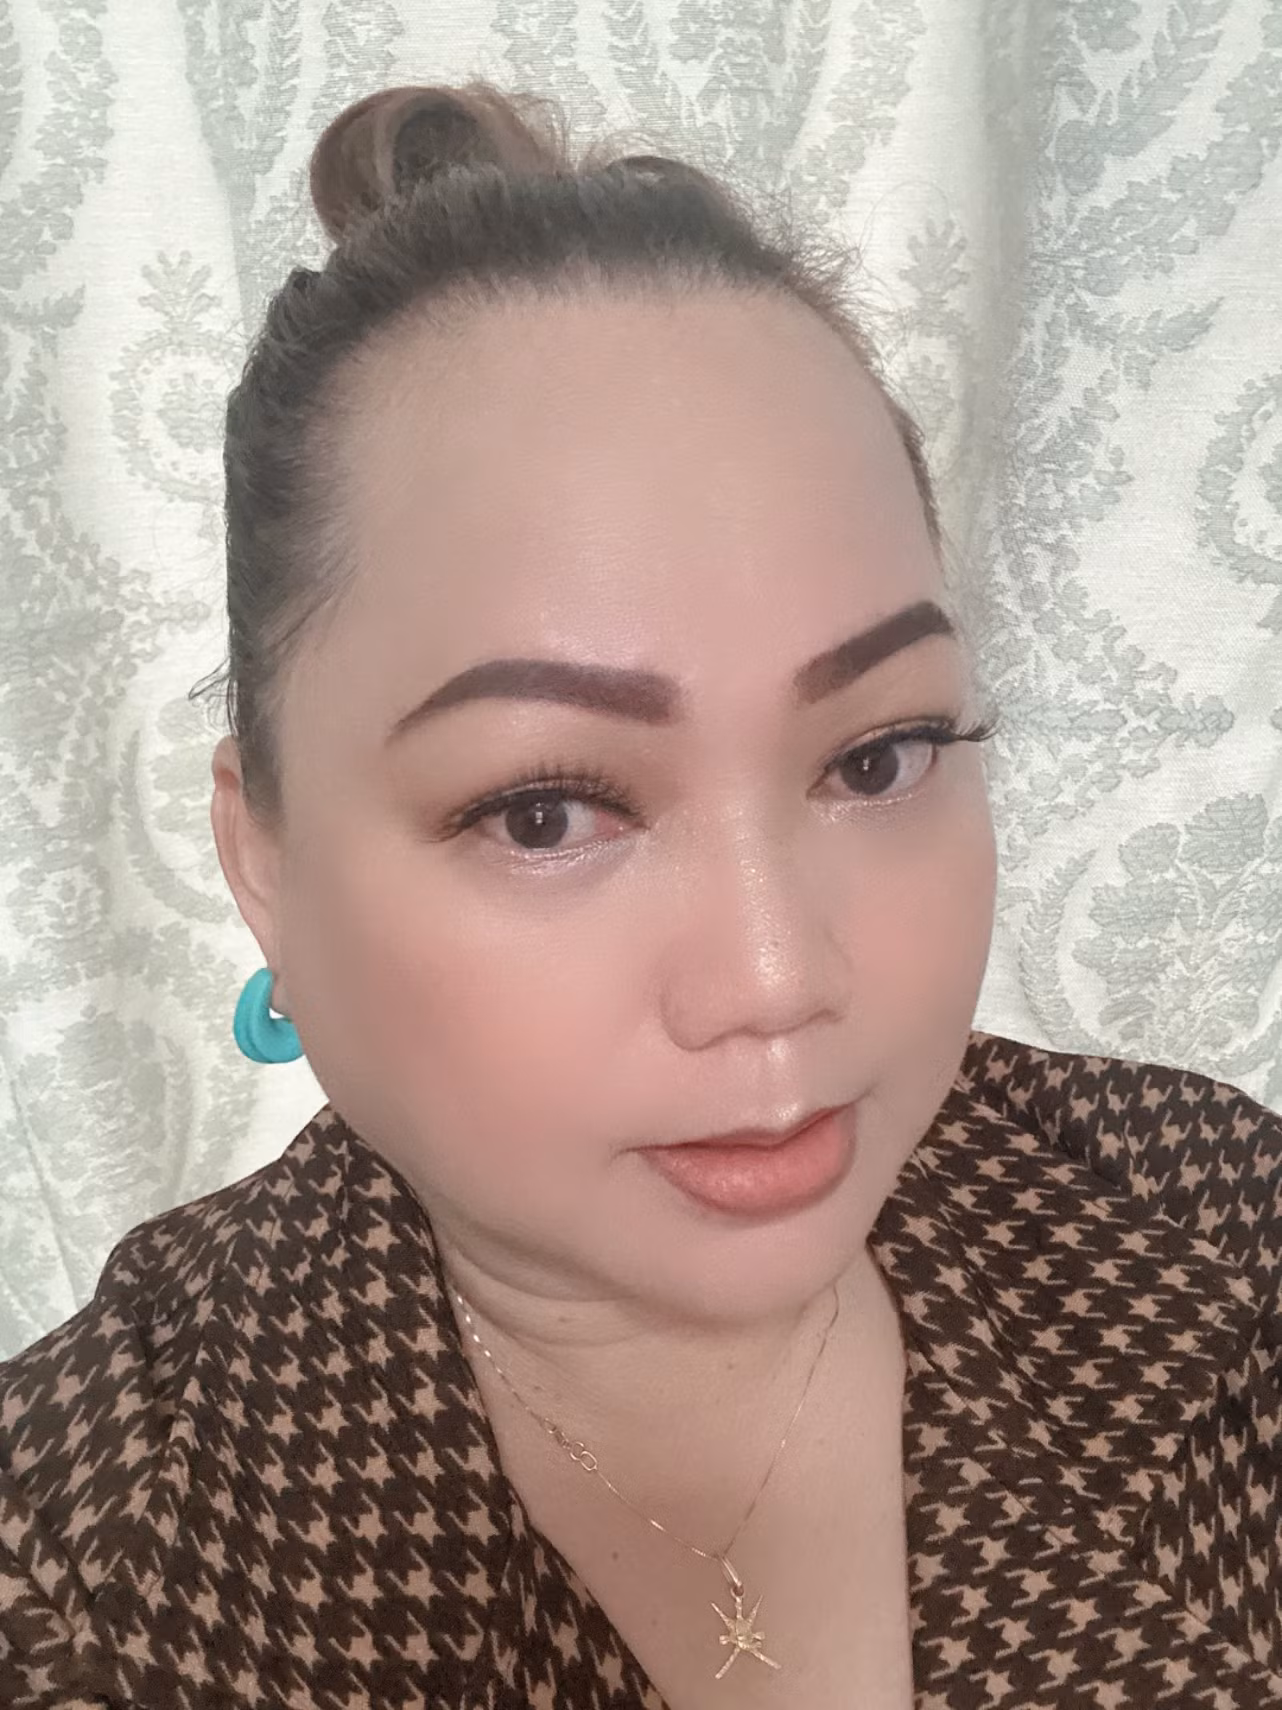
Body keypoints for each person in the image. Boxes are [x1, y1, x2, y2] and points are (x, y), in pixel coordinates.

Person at [1, 78, 1279, 1710]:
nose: (774, 976)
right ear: (266, 860)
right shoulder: (73, 1577)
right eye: (544, 810)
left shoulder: (1212, 1217)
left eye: (877, 755)